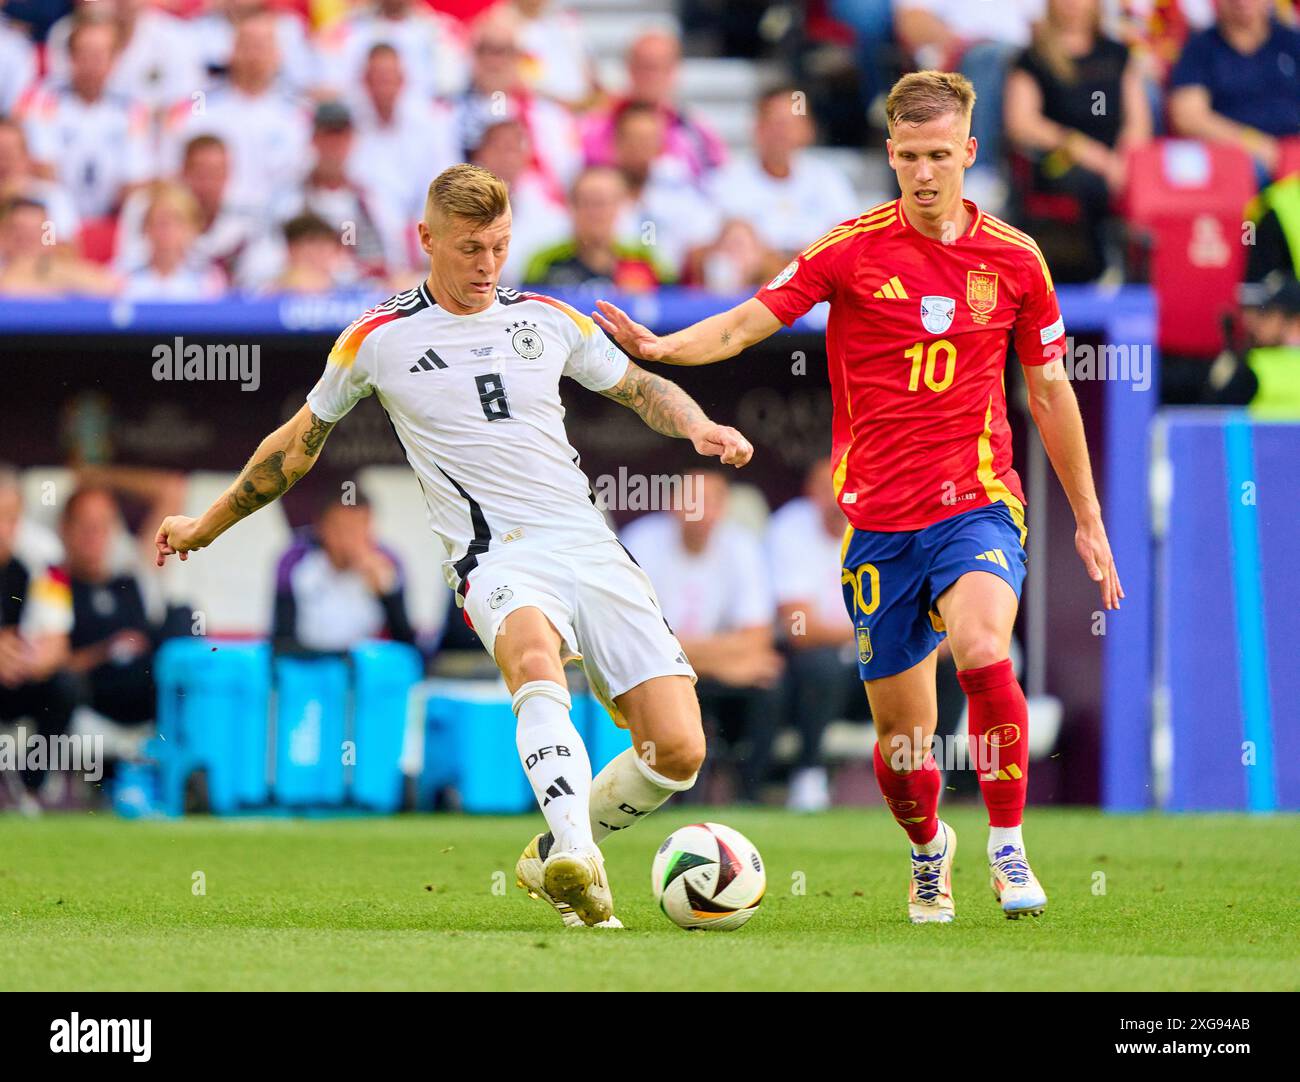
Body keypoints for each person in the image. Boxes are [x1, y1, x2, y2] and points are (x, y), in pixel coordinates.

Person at [155, 163, 755, 929]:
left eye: (501, 247)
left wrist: (699, 425)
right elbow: (295, 448)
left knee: (678, 751)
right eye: (471, 248)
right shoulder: (376, 339)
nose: (487, 266)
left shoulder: (545, 317)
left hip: (588, 542)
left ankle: (552, 854)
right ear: (426, 239)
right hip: (493, 553)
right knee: (535, 662)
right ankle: (581, 857)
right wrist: (207, 523)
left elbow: (639, 388)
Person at [594, 70, 1123, 924]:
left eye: (940, 156)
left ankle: (1008, 846)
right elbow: (748, 320)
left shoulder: (1018, 261)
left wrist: (1090, 523)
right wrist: (665, 348)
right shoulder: (850, 247)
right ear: (889, 154)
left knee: (984, 651)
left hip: (976, 501)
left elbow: (1054, 394)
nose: (924, 173)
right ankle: (928, 850)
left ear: (969, 154)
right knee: (904, 743)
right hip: (877, 522)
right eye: (909, 156)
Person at [621, 469, 783, 803]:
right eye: (689, 500)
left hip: (696, 668)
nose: (697, 511)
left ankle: (750, 795)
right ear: (671, 504)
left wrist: (693, 658)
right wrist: (721, 665)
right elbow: (636, 638)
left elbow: (758, 638)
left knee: (772, 681)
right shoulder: (640, 542)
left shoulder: (741, 546)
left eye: (708, 502)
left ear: (723, 508)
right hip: (658, 671)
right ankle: (655, 797)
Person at [1004, 0, 1153, 282]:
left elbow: (1138, 122)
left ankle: (1139, 271)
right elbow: (1022, 123)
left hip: (1116, 159)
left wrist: (1123, 159)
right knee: (1082, 180)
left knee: (1146, 179)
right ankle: (1098, 266)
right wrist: (1089, 153)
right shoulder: (1033, 58)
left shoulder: (1117, 54)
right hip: (1060, 157)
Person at [707, 85, 860, 260]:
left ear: (808, 129)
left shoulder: (828, 179)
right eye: (776, 123)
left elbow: (850, 238)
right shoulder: (727, 181)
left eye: (791, 124)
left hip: (818, 278)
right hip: (755, 283)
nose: (783, 133)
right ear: (757, 127)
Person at [0, 465, 74, 814]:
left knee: (66, 684)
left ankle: (34, 784)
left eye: (9, 517)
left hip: (20, 675)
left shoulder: (46, 553)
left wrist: (28, 661)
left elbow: (57, 641)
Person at [1168, 0, 1300, 183]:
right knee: (1250, 170)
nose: (1242, 2)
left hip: (1293, 148)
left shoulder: (1291, 42)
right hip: (1236, 156)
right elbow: (1188, 116)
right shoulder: (1200, 48)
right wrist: (1253, 143)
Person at [272, 492, 416, 652]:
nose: (349, 540)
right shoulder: (296, 561)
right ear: (321, 527)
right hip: (308, 664)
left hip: (367, 668)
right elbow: (282, 637)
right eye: (342, 529)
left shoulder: (387, 562)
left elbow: (405, 644)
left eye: (359, 528)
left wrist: (388, 593)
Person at [522, 166, 670, 292]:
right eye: (587, 202)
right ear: (571, 207)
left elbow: (676, 305)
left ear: (620, 206)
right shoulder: (545, 263)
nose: (596, 213)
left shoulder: (644, 261)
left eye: (604, 202)